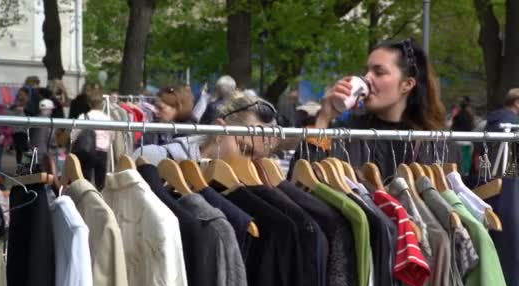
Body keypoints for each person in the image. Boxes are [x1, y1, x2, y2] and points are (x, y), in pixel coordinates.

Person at [302, 38, 447, 178]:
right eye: (367, 71)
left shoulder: (434, 143)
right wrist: (324, 118)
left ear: (407, 84)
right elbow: (304, 181)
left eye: (379, 72)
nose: (367, 78)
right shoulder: (348, 132)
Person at [134, 94, 277, 164]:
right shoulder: (153, 159)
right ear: (220, 132)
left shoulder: (258, 187)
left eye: (259, 158)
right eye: (245, 149)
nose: (251, 164)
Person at [70, 90, 114, 190]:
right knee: (100, 184)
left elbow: (74, 135)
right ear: (102, 104)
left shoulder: (84, 117)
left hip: (87, 151)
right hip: (102, 152)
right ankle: (100, 200)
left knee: (85, 181)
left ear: (89, 104)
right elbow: (112, 136)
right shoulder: (108, 119)